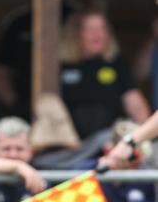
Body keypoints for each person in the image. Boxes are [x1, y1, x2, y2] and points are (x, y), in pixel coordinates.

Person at [59, 9, 150, 140]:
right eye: (90, 29)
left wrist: (146, 136)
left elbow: (134, 102)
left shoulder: (117, 63)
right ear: (76, 34)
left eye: (102, 28)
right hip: (69, 141)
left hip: (108, 139)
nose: (97, 34)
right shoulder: (62, 66)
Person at [0, 2, 77, 121]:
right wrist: (16, 105)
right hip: (27, 104)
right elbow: (1, 72)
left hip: (74, 109)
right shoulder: (19, 21)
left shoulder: (74, 14)